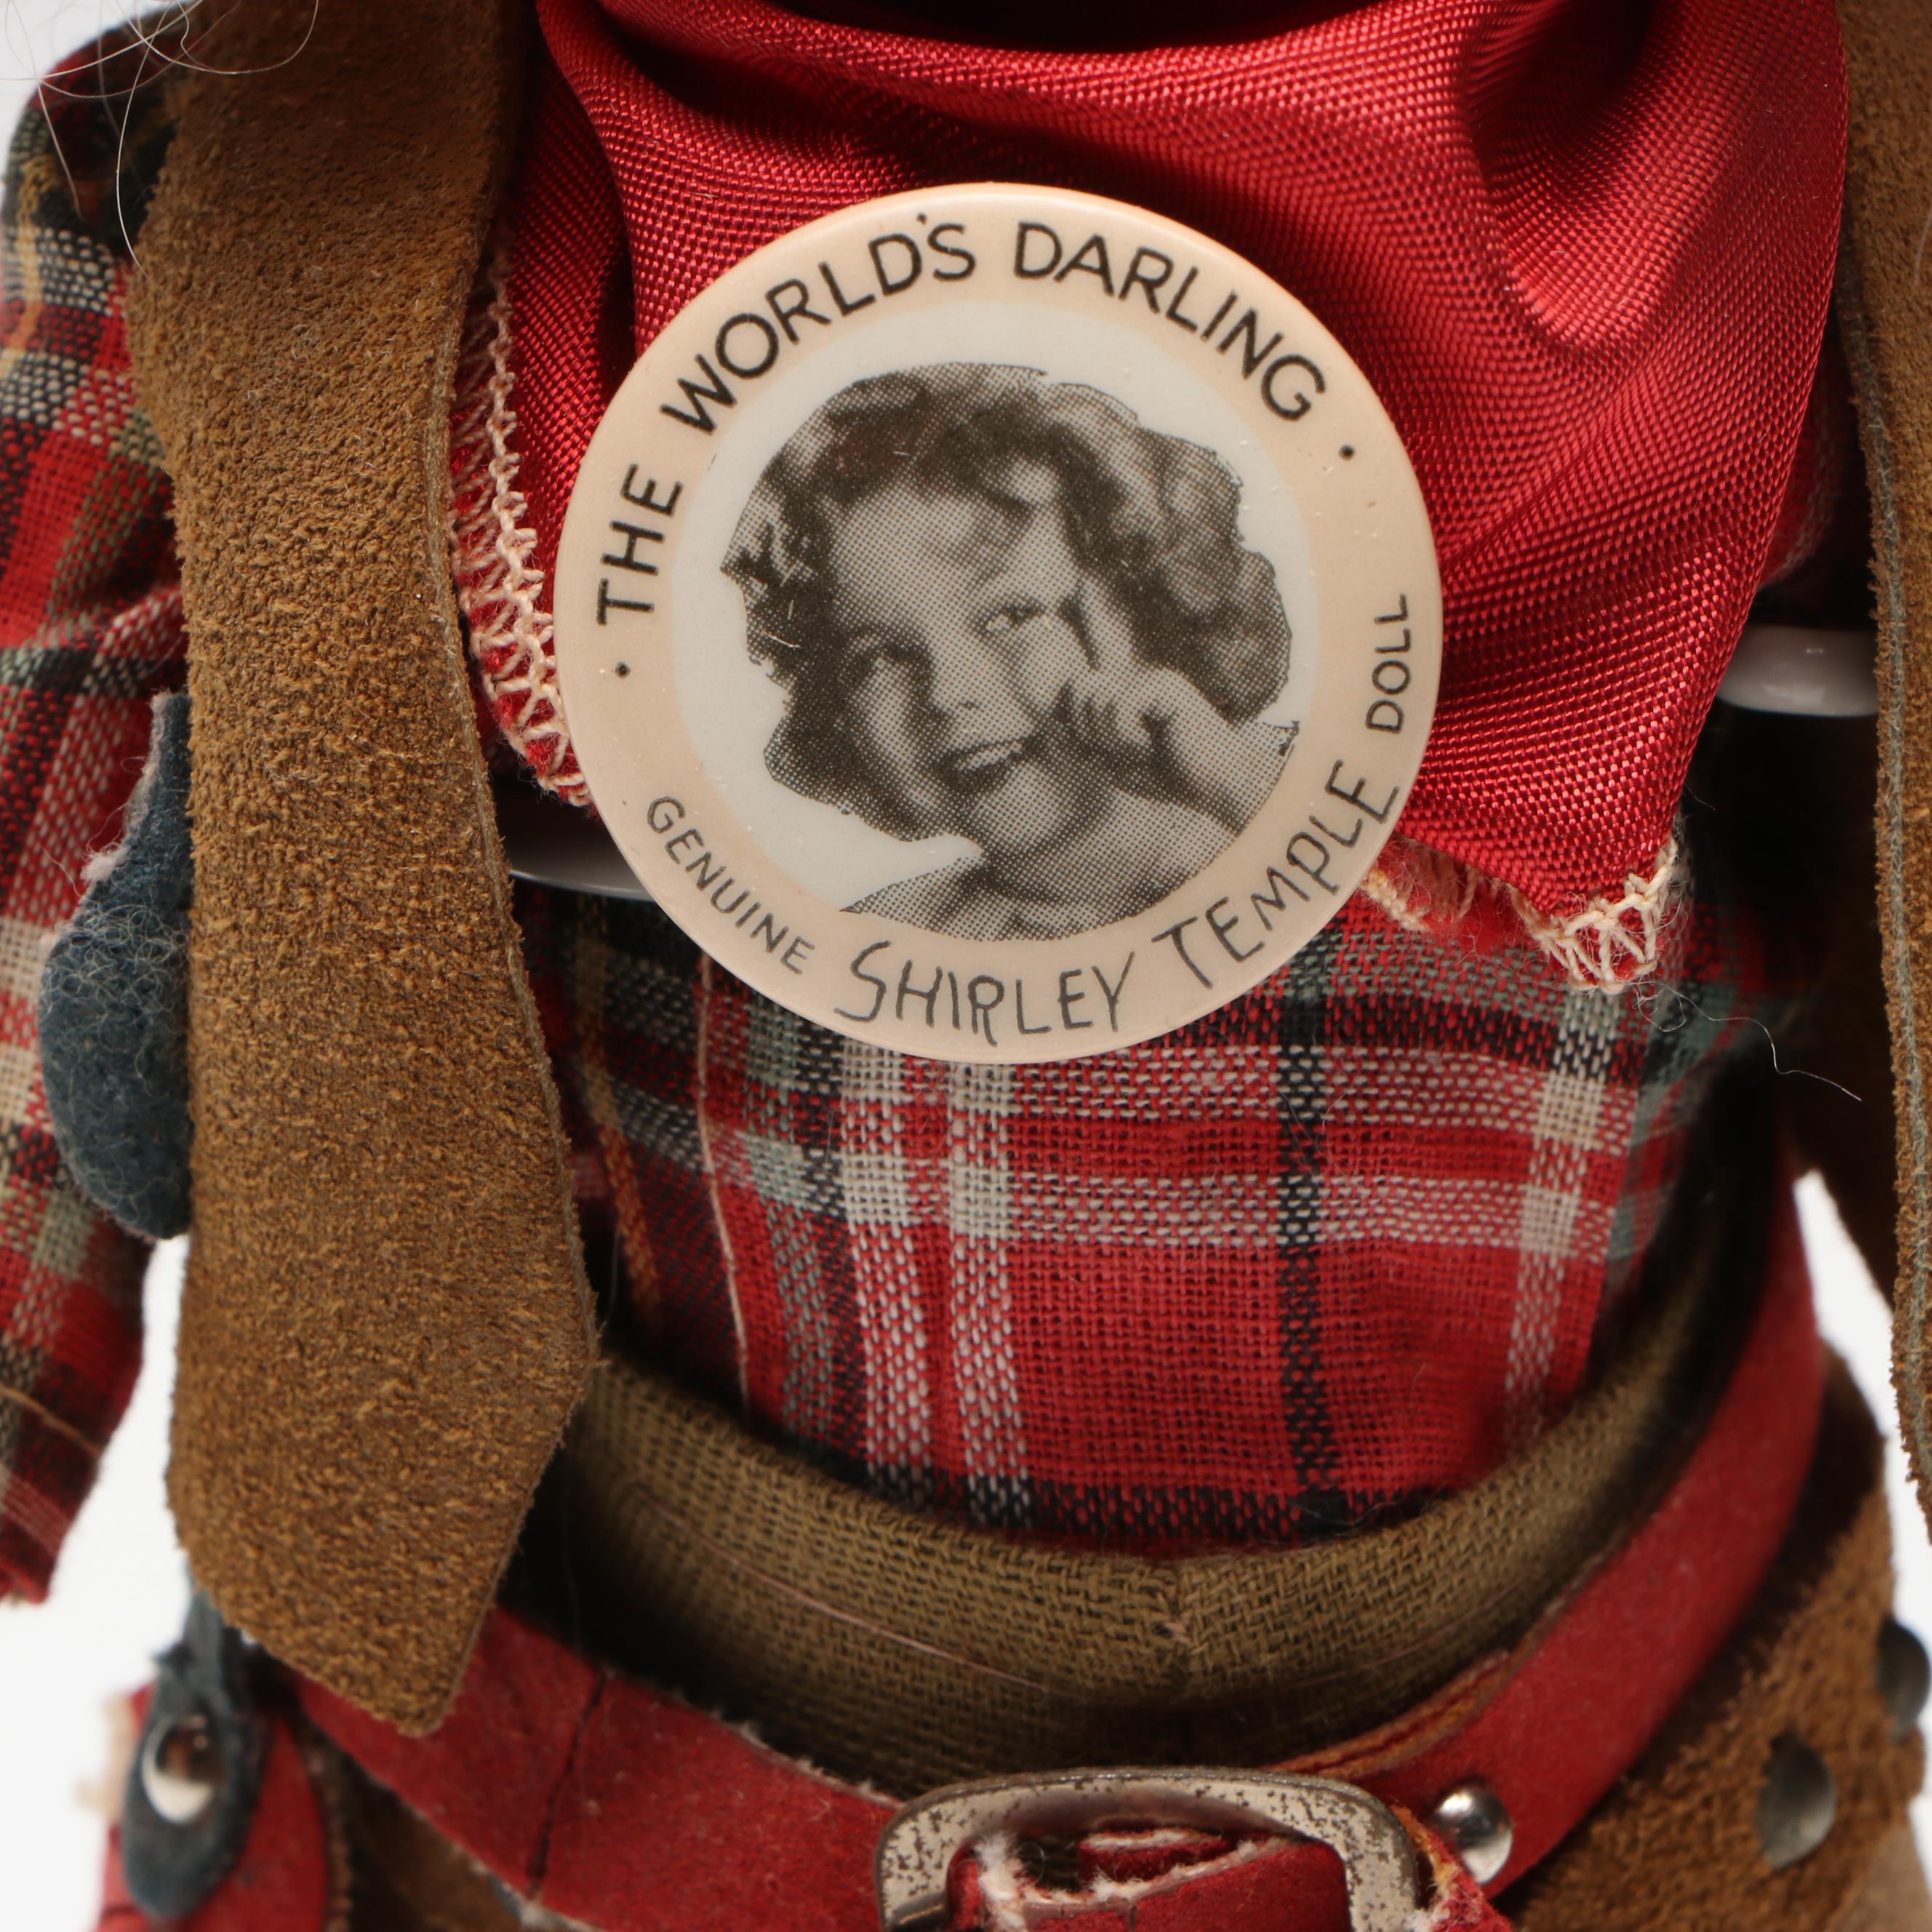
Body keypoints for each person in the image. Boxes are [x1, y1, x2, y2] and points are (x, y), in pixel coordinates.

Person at [724, 365, 1295, 938]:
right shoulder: (884, 940)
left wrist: (1236, 782)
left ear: (1146, 608)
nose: (948, 693)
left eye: (1010, 615)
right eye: (879, 657)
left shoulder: (1273, 802)